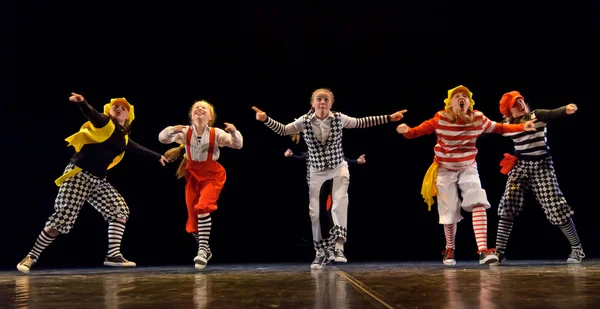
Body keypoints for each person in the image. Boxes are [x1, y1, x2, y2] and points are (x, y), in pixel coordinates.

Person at [253, 88, 407, 269]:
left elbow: (362, 122)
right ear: (313, 103)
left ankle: (339, 246)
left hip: (337, 167)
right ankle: (320, 252)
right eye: (319, 99)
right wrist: (266, 120)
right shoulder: (304, 121)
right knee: (315, 213)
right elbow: (284, 130)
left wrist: (389, 117)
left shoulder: (339, 118)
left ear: (331, 103)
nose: (322, 102)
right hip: (316, 170)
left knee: (339, 202)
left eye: (326, 99)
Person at [17, 92, 168, 273]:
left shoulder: (123, 137)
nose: (119, 109)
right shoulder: (105, 122)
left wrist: (157, 156)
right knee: (62, 220)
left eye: (124, 108)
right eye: (116, 107)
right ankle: (31, 256)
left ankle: (113, 255)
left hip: (98, 181)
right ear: (109, 111)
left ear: (129, 116)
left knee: (119, 210)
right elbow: (92, 114)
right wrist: (83, 103)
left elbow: (137, 148)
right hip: (78, 176)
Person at [396, 85, 535, 265]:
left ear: (469, 102)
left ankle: (483, 251)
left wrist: (523, 126)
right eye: (457, 96)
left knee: (477, 199)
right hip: (444, 168)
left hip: (468, 166)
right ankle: (450, 249)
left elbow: (500, 128)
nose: (461, 98)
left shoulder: (478, 118)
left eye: (465, 96)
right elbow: (416, 132)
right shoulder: (441, 118)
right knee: (450, 211)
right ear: (450, 103)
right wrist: (407, 131)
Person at [493, 91, 584, 264]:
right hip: (520, 166)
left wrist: (565, 109)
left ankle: (577, 250)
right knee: (508, 204)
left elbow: (552, 113)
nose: (520, 104)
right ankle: (499, 252)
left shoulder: (536, 116)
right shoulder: (507, 124)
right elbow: (490, 128)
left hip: (542, 165)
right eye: (515, 104)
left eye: (521, 100)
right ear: (508, 111)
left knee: (556, 206)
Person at [160, 100, 243, 270]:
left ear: (210, 116)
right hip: (192, 174)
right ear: (191, 115)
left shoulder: (215, 133)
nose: (199, 108)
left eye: (204, 108)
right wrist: (171, 129)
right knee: (192, 219)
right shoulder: (184, 132)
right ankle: (205, 247)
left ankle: (202, 250)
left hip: (212, 174)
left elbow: (238, 144)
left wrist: (234, 132)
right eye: (196, 107)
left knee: (204, 206)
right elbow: (163, 139)